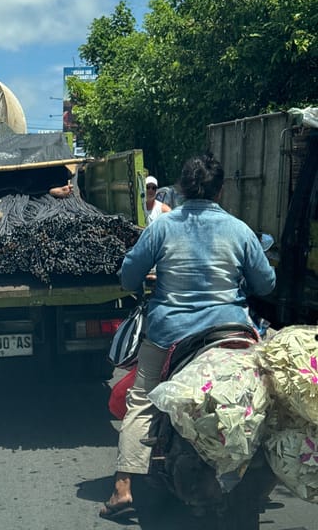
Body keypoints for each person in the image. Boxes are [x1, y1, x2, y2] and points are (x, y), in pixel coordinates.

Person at [99, 152, 276, 519]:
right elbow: (266, 283)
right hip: (232, 333)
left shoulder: (162, 227)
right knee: (266, 399)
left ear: (180, 188)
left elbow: (129, 275)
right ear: (220, 190)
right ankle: (266, 482)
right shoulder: (240, 230)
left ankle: (122, 490)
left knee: (142, 400)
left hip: (171, 336)